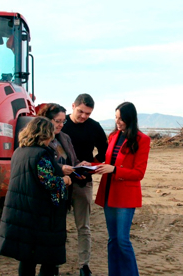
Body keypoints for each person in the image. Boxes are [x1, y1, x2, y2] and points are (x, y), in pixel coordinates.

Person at [0, 117, 72, 276]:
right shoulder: (41, 155)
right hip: (40, 215)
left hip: (22, 212)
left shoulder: (19, 152)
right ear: (44, 135)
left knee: (27, 258)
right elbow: (48, 182)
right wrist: (64, 180)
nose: (52, 138)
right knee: (49, 258)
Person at [93, 102, 151, 276]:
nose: (118, 122)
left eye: (121, 118)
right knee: (112, 240)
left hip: (125, 196)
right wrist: (89, 165)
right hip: (109, 193)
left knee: (123, 240)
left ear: (130, 119)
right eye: (116, 117)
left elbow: (138, 173)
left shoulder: (142, 140)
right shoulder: (113, 136)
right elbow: (108, 163)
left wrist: (115, 170)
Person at [61, 94, 108, 276]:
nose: (83, 116)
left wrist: (90, 163)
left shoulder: (94, 127)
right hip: (61, 182)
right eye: (80, 111)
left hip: (83, 182)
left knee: (84, 227)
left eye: (87, 114)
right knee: (58, 225)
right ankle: (54, 262)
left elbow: (104, 152)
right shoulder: (60, 123)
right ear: (72, 106)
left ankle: (84, 266)